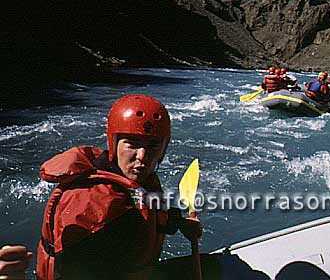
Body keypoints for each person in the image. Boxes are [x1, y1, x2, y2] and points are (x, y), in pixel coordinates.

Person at [0, 94, 202, 280]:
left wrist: (180, 223)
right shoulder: (95, 206)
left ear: (163, 150)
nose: (142, 156)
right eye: (132, 144)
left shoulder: (138, 180)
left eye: (152, 146)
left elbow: (151, 214)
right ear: (114, 145)